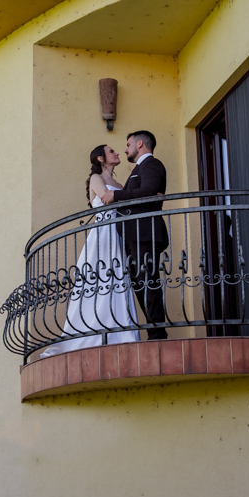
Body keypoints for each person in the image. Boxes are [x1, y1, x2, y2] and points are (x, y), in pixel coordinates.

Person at [41, 144, 140, 358]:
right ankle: (93, 332)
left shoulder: (120, 184)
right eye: (111, 151)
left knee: (118, 279)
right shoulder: (97, 178)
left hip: (119, 233)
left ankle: (119, 332)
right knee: (100, 279)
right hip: (103, 234)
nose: (117, 153)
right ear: (101, 158)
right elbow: (106, 198)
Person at [101, 130, 170, 340]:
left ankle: (157, 333)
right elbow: (146, 193)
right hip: (134, 234)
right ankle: (154, 330)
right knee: (140, 284)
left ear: (140, 144)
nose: (125, 149)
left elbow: (148, 191)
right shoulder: (140, 168)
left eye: (128, 144)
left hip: (144, 233)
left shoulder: (151, 164)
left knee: (147, 281)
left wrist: (116, 196)